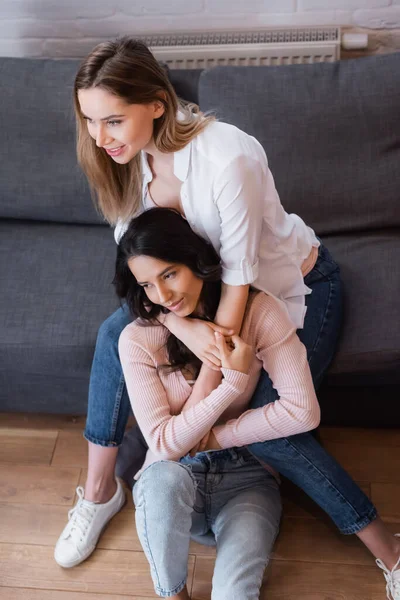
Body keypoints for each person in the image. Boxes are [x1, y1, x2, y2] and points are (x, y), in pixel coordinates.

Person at [54, 37, 400, 598]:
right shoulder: (123, 161)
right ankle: (99, 492)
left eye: (113, 120)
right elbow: (140, 261)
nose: (100, 137)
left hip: (282, 290)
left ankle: (390, 552)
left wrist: (203, 419)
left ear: (158, 104)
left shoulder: (227, 157)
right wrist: (179, 325)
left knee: (273, 427)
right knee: (112, 332)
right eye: (90, 121)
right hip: (194, 301)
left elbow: (239, 280)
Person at [114, 207, 321, 599]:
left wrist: (216, 438)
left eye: (169, 274)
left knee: (235, 594)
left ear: (195, 259)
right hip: (174, 483)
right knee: (160, 478)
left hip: (248, 480)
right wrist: (232, 383)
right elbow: (165, 445)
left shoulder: (260, 311)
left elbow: (303, 410)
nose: (163, 296)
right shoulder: (137, 340)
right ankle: (173, 594)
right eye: (148, 285)